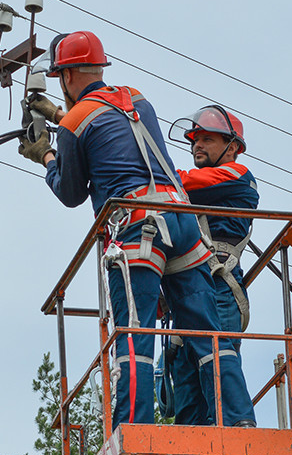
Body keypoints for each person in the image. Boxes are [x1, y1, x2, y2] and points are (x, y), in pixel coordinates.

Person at [18, 31, 250, 429]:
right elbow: (112, 128)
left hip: (136, 228)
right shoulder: (138, 99)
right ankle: (239, 422)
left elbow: (71, 193)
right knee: (210, 337)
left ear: (68, 76)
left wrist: (48, 155)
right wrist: (60, 117)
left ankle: (134, 428)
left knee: (134, 336)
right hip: (181, 222)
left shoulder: (74, 123)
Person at [162, 106, 258, 427]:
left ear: (232, 147)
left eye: (206, 139)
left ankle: (237, 425)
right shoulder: (193, 188)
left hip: (220, 284)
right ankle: (191, 441)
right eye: (194, 141)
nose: (196, 146)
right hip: (190, 288)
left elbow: (178, 182)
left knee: (217, 352)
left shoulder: (237, 175)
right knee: (187, 365)